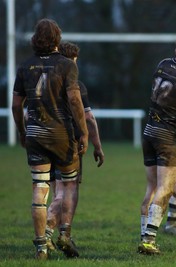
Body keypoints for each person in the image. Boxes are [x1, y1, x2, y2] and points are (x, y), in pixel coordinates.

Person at [12, 18, 88, 260]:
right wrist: (83, 132)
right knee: (68, 184)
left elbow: (16, 104)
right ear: (58, 38)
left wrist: (22, 130)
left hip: (35, 133)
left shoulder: (25, 67)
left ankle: (41, 247)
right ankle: (64, 234)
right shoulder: (67, 65)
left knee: (40, 188)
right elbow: (75, 101)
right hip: (61, 135)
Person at [137, 34, 176, 255]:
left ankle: (143, 234)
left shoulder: (162, 64)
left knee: (151, 188)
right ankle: (149, 240)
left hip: (149, 131)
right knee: (166, 188)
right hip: (168, 136)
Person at [44, 41, 105, 257]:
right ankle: (54, 233)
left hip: (43, 141)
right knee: (68, 190)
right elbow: (88, 117)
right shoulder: (75, 84)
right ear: (73, 61)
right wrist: (96, 144)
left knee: (55, 191)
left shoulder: (42, 82)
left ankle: (56, 235)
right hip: (67, 142)